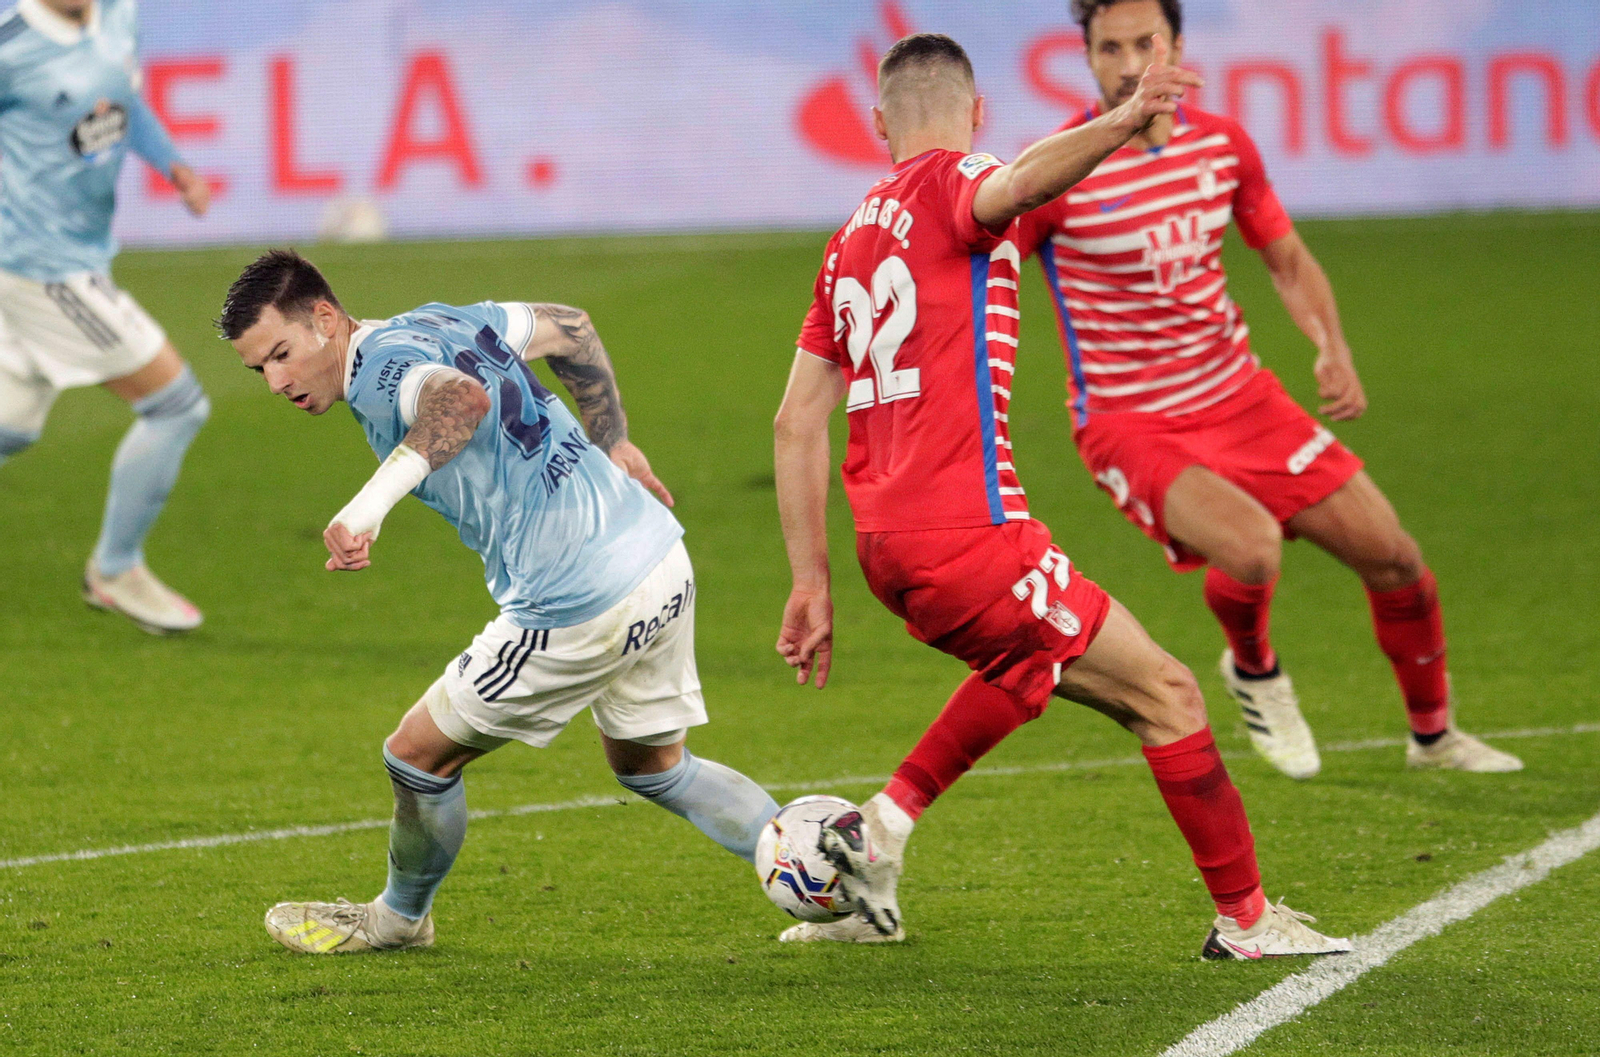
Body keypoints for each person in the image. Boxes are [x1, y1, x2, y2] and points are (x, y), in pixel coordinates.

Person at [773, 33, 1347, 960]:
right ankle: (1246, 921)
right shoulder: (960, 180)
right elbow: (1020, 187)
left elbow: (796, 422)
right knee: (1168, 693)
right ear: (979, 113)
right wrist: (1122, 123)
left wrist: (812, 581)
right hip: (970, 531)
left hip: (889, 549)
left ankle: (879, 830)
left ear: (877, 122)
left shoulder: (846, 244)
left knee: (1030, 667)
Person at [217, 250, 778, 954]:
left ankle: (398, 918)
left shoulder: (384, 368)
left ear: (326, 320)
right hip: (658, 556)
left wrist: (368, 507)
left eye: (280, 354)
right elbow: (571, 327)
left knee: (416, 755)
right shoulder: (444, 319)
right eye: (258, 369)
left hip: (577, 601)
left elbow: (462, 401)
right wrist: (614, 440)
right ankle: (838, 873)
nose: (274, 381)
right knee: (654, 766)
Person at [1017, 0, 1520, 779]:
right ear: (1085, 58)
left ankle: (1435, 736)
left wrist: (1331, 347)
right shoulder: (1058, 170)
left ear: (1177, 47)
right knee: (1249, 549)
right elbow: (985, 260)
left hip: (1243, 397)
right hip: (1131, 420)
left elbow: (1285, 258)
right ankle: (1253, 669)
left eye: (1143, 43)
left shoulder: (1223, 146)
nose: (1127, 64)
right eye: (1108, 48)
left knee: (1395, 557)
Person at [0, 0, 213, 633]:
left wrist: (172, 163)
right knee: (177, 404)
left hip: (75, 253)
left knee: (12, 427)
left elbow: (123, 101)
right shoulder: (11, 43)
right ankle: (116, 571)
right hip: (40, 268)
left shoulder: (119, 13)